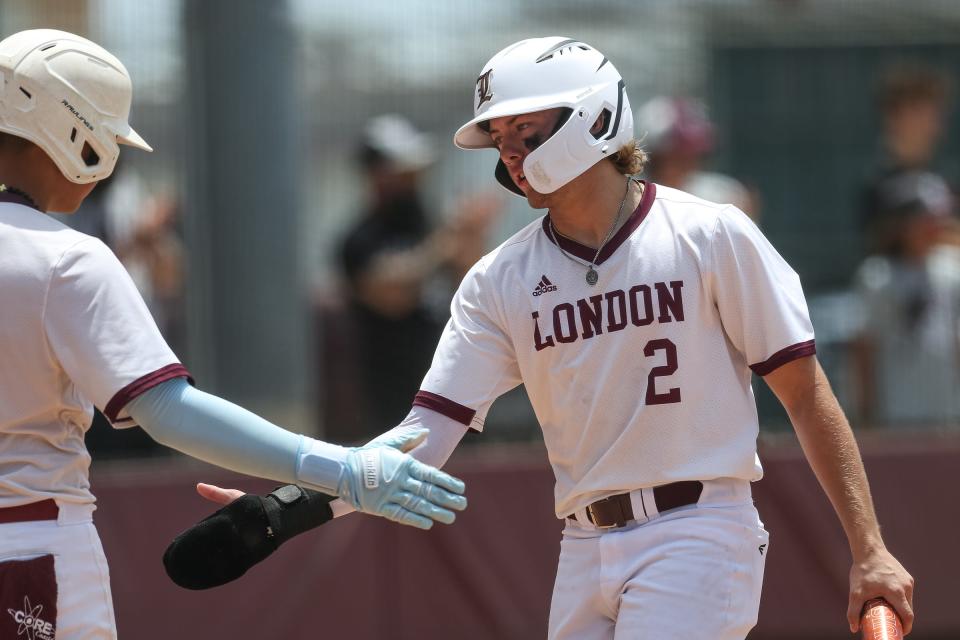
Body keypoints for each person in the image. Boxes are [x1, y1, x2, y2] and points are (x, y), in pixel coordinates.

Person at [203, 37, 914, 638]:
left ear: (596, 117)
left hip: (698, 531)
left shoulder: (710, 233)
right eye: (498, 138)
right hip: (583, 543)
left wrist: (871, 548)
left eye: (525, 131)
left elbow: (804, 394)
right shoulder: (498, 280)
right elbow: (424, 438)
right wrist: (290, 505)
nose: (509, 154)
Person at [0, 29, 466, 639]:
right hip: (29, 543)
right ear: (73, 135)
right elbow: (167, 410)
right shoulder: (62, 258)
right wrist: (343, 468)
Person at [334, 114, 499, 441]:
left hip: (455, 385)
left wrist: (471, 236)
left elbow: (472, 287)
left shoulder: (426, 223)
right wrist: (446, 242)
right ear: (376, 174)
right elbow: (390, 293)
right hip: (393, 398)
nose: (413, 180)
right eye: (402, 171)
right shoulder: (358, 240)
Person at [853, 170, 960, 427]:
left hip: (945, 413)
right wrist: (866, 413)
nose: (934, 226)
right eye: (925, 218)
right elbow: (865, 349)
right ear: (902, 224)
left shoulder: (952, 271)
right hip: (897, 414)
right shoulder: (876, 276)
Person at [861, 63, 952, 256]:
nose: (932, 125)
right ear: (894, 118)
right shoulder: (880, 187)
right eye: (921, 113)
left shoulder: (941, 184)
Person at [635, 95, 756, 219]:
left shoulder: (723, 197)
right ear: (654, 158)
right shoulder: (629, 199)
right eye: (678, 156)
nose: (689, 164)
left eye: (693, 155)